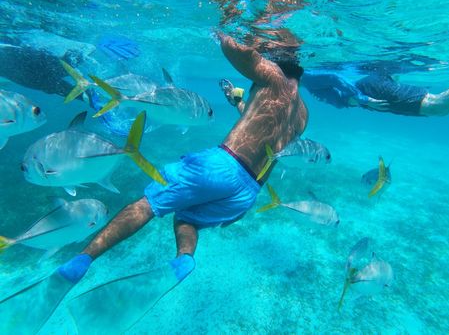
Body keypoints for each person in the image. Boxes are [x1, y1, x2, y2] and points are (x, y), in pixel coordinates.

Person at [0, 31, 308, 333]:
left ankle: (82, 261)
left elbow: (235, 49)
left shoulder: (273, 77)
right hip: (248, 189)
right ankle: (184, 260)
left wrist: (227, 21)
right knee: (188, 218)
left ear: (277, 64)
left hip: (222, 166)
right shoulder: (302, 114)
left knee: (147, 205)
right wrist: (238, 104)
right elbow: (268, 131)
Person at [301, 71, 449, 116]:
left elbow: (334, 77)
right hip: (370, 86)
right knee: (441, 110)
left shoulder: (304, 78)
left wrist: (364, 99)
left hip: (370, 90)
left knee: (437, 106)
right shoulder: (304, 82)